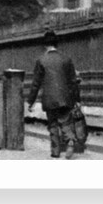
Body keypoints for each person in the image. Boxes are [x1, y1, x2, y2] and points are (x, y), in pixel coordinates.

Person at [26, 30, 81, 159]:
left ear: (45, 45)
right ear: (57, 44)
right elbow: (73, 81)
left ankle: (55, 151)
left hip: (49, 99)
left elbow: (36, 83)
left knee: (52, 124)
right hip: (65, 98)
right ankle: (70, 139)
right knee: (65, 121)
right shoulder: (66, 59)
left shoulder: (41, 60)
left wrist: (31, 101)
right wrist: (77, 99)